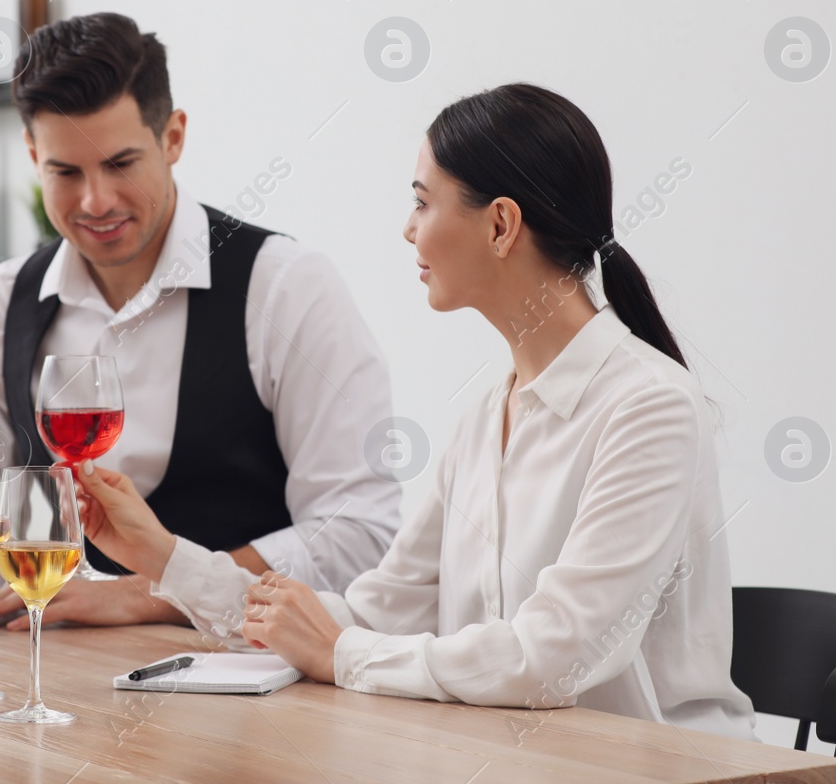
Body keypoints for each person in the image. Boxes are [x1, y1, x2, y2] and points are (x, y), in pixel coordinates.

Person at [70, 83, 760, 740]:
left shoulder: (649, 408)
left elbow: (554, 657)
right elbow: (375, 612)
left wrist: (343, 654)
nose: (407, 230)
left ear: (500, 224)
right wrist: (161, 553)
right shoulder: (489, 415)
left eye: (424, 203)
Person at [0, 12, 401, 628]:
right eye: (65, 172)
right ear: (32, 154)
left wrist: (148, 594)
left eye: (121, 164)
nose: (95, 201)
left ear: (173, 137)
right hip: (45, 682)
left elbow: (360, 534)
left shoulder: (286, 287)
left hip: (239, 689)